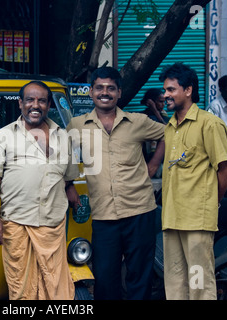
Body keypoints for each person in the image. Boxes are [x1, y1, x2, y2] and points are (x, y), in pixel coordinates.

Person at [67, 66, 165, 300]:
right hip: (103, 215)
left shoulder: (138, 121)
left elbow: (168, 134)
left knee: (139, 276)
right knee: (105, 277)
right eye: (99, 88)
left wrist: (153, 164)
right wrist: (69, 184)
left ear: (119, 93)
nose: (105, 92)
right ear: (91, 92)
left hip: (140, 210)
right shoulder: (77, 125)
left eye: (111, 88)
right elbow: (64, 154)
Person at [0, 80, 79, 300]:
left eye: (42, 101)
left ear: (48, 105)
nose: (36, 105)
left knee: (56, 286)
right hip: (16, 222)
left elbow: (68, 175)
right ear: (20, 103)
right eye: (30, 100)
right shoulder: (4, 136)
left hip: (52, 223)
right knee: (21, 288)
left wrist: (71, 189)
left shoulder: (63, 136)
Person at [159, 63, 227, 300]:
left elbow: (225, 168)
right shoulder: (170, 127)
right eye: (165, 90)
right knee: (174, 280)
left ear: (188, 90)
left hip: (197, 219)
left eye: (171, 90)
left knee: (199, 281)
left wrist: (212, 202)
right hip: (172, 217)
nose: (166, 95)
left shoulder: (209, 124)